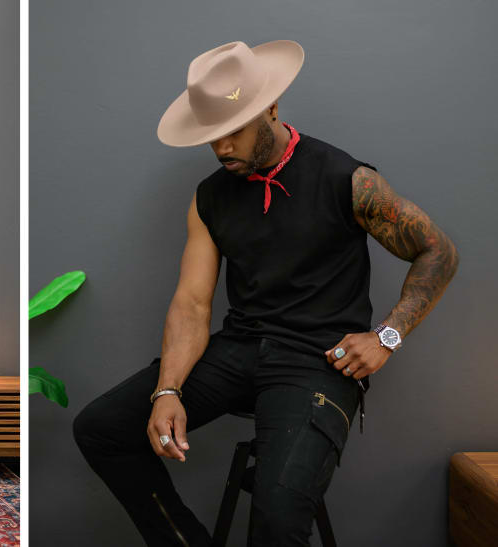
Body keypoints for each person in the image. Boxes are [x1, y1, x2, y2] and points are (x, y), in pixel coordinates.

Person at [73, 40, 458, 546]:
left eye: (232, 132)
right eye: (210, 137)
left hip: (319, 360)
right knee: (101, 428)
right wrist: (167, 390)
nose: (221, 149)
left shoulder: (348, 179)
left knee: (276, 519)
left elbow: (438, 252)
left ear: (271, 109)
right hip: (239, 350)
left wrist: (386, 336)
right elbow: (191, 303)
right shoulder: (209, 198)